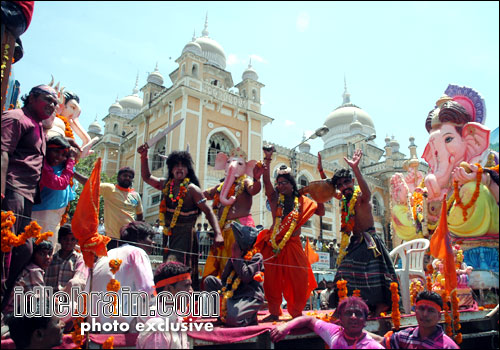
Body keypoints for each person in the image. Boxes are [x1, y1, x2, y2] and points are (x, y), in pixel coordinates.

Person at [1, 84, 58, 311]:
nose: (52, 106)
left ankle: (5, 307)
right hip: (11, 188)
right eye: (47, 100)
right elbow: (3, 152)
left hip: (27, 195)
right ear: (32, 98)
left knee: (24, 249)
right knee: (5, 247)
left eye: (54, 103)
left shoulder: (39, 127)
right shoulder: (15, 118)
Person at [137, 144, 223, 290]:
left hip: (186, 236)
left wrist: (218, 234)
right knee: (167, 267)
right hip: (168, 235)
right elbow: (146, 177)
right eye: (176, 165)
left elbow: (208, 211)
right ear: (171, 169)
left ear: (188, 170)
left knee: (178, 268)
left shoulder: (192, 190)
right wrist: (144, 156)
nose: (179, 168)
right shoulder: (165, 185)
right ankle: (167, 300)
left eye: (183, 166)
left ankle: (183, 304)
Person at [255, 145, 325, 321]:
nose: (280, 185)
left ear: (292, 184)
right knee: (271, 281)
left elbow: (321, 211)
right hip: (274, 246)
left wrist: (319, 192)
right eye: (278, 183)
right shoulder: (275, 199)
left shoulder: (302, 201)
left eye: (284, 182)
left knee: (299, 279)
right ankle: (274, 312)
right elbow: (266, 183)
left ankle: (295, 312)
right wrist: (268, 159)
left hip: (293, 245)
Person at [326, 149, 398, 316]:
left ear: (352, 181)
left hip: (369, 241)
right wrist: (322, 172)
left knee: (350, 270)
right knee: (342, 272)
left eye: (346, 183)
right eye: (340, 185)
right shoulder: (345, 201)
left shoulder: (361, 198)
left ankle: (380, 305)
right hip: (355, 242)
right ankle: (349, 306)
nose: (344, 187)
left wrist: (356, 169)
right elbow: (330, 192)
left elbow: (367, 192)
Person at [202, 147, 262, 283]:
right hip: (223, 232)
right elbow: (203, 195)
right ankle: (222, 292)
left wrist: (257, 179)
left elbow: (253, 190)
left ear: (247, 168)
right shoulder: (220, 187)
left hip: (240, 231)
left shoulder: (245, 182)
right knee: (223, 265)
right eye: (229, 162)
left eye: (239, 163)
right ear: (224, 165)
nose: (232, 166)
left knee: (240, 263)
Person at [85, 221, 155, 329]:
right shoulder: (137, 252)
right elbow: (147, 289)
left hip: (92, 323)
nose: (153, 242)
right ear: (139, 239)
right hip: (119, 325)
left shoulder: (109, 253)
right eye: (150, 238)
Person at [204, 222, 265, 326]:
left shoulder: (256, 256)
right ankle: (220, 315)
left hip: (249, 295)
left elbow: (246, 277)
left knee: (233, 319)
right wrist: (233, 258)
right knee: (209, 281)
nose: (235, 243)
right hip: (234, 292)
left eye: (237, 241)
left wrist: (237, 258)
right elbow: (224, 278)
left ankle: (250, 317)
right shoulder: (236, 255)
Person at [270, 296, 383, 349]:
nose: (353, 317)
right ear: (340, 319)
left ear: (365, 321)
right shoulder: (335, 333)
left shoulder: (372, 346)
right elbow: (309, 320)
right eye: (348, 313)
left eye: (358, 314)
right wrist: (286, 326)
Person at [74, 166, 144, 249]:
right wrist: (72, 172)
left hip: (130, 239)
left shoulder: (136, 195)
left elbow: (140, 215)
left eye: (130, 177)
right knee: (112, 262)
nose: (127, 178)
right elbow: (89, 183)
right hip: (113, 238)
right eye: (125, 175)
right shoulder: (109, 189)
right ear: (118, 177)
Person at [31, 135, 79, 249]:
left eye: (63, 155)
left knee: (49, 246)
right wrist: (70, 161)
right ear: (46, 150)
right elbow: (60, 184)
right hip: (42, 211)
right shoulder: (44, 165)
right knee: (38, 246)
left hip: (56, 213)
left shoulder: (62, 165)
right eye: (56, 152)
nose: (59, 157)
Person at [370, 291, 459, 349]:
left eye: (431, 311)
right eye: (421, 308)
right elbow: (380, 341)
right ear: (415, 311)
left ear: (439, 316)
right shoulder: (405, 336)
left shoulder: (448, 346)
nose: (425, 314)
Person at [136, 261, 193, 349]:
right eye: (186, 286)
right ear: (169, 289)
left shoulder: (177, 319)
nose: (191, 291)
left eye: (190, 286)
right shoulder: (157, 326)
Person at [3, 240, 53, 315]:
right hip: (13, 316)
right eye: (42, 254)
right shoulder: (34, 271)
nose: (47, 257)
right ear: (33, 255)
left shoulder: (28, 268)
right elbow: (42, 300)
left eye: (49, 254)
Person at [44, 223, 88, 293]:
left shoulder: (79, 259)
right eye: (65, 239)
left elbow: (77, 279)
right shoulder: (51, 259)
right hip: (50, 297)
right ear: (60, 240)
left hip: (69, 296)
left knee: (75, 282)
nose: (68, 242)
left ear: (76, 241)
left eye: (72, 239)